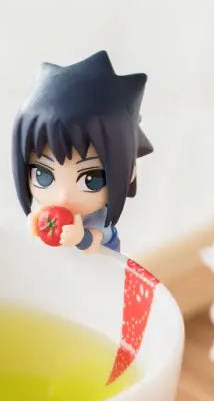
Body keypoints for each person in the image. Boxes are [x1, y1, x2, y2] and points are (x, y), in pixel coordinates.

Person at [11, 50, 153, 253]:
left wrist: (81, 238)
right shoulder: (50, 213)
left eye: (91, 179)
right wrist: (36, 222)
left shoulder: (99, 220)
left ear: (129, 172)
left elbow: (95, 243)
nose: (63, 196)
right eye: (42, 175)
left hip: (102, 268)